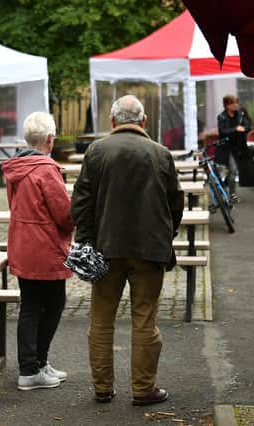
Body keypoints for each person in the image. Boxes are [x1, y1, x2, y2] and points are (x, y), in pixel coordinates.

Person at [71, 95, 184, 406]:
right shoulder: (161, 154)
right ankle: (143, 388)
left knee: (101, 320)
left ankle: (103, 388)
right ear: (143, 121)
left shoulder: (96, 151)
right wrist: (165, 235)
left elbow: (80, 204)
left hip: (106, 249)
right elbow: (175, 202)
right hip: (149, 250)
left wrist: (89, 241)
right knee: (145, 319)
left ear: (112, 122)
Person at [2, 112, 74, 391]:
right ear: (50, 139)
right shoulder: (46, 169)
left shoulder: (16, 167)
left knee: (30, 306)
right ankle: (33, 367)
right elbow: (65, 215)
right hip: (45, 247)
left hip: (22, 243)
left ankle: (34, 366)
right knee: (54, 304)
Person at [217, 95, 251, 200]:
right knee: (232, 169)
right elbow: (222, 132)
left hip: (239, 147)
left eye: (236, 102)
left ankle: (226, 190)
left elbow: (247, 127)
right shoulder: (222, 117)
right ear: (227, 105)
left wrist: (243, 128)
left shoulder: (240, 115)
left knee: (232, 171)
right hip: (226, 149)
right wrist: (235, 129)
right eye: (232, 103)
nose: (235, 105)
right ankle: (232, 194)